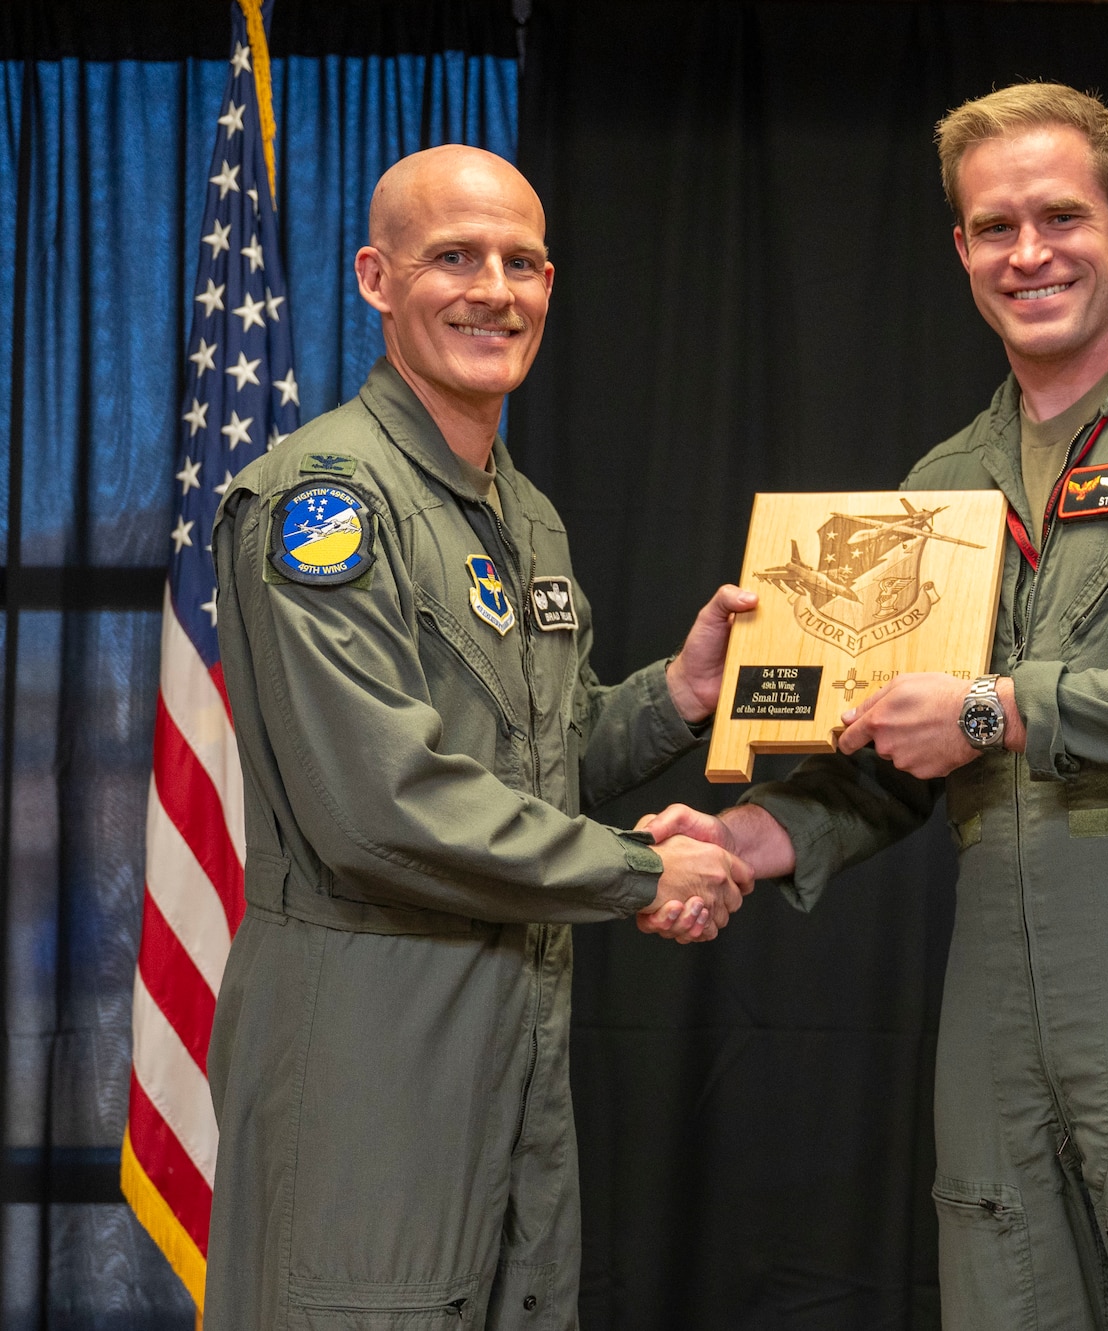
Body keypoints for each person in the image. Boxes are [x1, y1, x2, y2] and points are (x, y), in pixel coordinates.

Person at [650, 83, 1108, 1329]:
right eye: (992, 227)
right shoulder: (942, 487)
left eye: (1059, 216)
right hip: (997, 955)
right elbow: (890, 749)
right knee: (1003, 1277)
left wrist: (990, 707)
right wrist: (754, 841)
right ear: (959, 250)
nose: (1028, 253)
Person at [206, 146, 758, 1328]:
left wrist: (680, 692)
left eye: (521, 262)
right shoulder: (323, 505)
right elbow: (381, 808)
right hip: (368, 1029)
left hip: (515, 1022)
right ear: (375, 276)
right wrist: (646, 872)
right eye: (452, 257)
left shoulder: (522, 513)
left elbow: (538, 770)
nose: (492, 290)